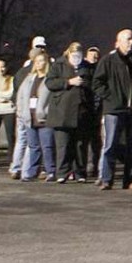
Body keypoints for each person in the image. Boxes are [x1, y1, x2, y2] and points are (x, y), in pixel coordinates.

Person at [93, 29, 132, 190]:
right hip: (114, 110)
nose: (130, 42)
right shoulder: (108, 61)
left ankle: (130, 179)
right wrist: (111, 98)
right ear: (118, 42)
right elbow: (97, 83)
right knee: (110, 144)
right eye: (127, 39)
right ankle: (106, 179)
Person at [46, 43, 96, 183]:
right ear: (68, 54)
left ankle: (80, 172)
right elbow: (50, 83)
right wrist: (68, 82)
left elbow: (94, 83)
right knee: (63, 144)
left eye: (79, 56)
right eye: (74, 56)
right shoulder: (58, 65)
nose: (76, 59)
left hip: (82, 111)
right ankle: (62, 172)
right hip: (62, 111)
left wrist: (86, 84)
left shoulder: (87, 66)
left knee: (81, 145)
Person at [16, 49, 55, 182]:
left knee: (47, 146)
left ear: (46, 62)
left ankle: (51, 171)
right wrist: (21, 111)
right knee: (33, 146)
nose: (39, 64)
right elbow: (21, 95)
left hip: (44, 118)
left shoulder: (50, 79)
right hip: (29, 117)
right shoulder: (29, 78)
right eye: (37, 61)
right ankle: (31, 172)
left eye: (41, 61)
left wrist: (47, 111)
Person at [85, 46, 103, 179]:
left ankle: (94, 165)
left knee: (96, 140)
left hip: (98, 109)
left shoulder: (101, 70)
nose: (94, 58)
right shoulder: (83, 70)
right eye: (92, 56)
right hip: (85, 109)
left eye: (96, 56)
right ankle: (86, 165)